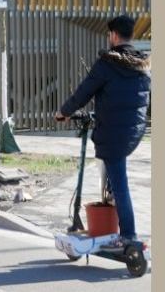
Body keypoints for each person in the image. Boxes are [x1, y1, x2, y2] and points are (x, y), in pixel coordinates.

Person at [55, 15, 151, 251]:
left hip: (114, 134)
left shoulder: (107, 63)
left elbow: (83, 92)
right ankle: (111, 225)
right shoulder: (141, 65)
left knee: (120, 185)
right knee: (113, 178)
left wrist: (63, 112)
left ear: (114, 35)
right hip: (134, 132)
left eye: (109, 35)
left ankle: (128, 234)